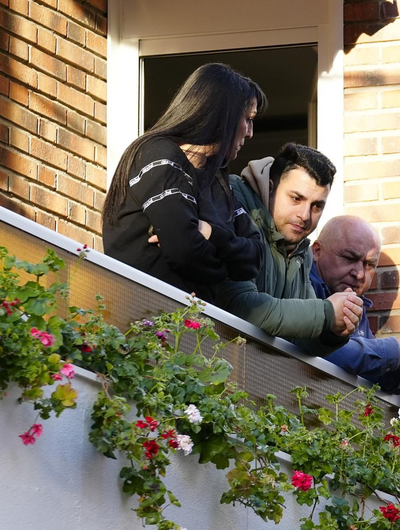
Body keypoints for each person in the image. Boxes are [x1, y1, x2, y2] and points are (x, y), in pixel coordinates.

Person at [103, 63, 265, 296]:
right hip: (144, 319)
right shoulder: (157, 154)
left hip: (192, 325)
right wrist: (226, 268)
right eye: (247, 119)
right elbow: (185, 251)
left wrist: (209, 232)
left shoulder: (217, 178)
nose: (250, 132)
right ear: (224, 115)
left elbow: (255, 257)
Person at [224, 143, 362, 343]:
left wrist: (337, 328)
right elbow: (242, 306)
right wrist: (327, 313)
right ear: (270, 187)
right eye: (296, 198)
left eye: (316, 206)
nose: (305, 216)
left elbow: (302, 337)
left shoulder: (301, 250)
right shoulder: (233, 205)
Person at [309, 215, 400, 394]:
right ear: (316, 251)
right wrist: (396, 351)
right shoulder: (300, 282)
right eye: (349, 258)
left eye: (369, 265)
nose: (360, 274)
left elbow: (367, 372)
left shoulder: (356, 303)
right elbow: (318, 349)